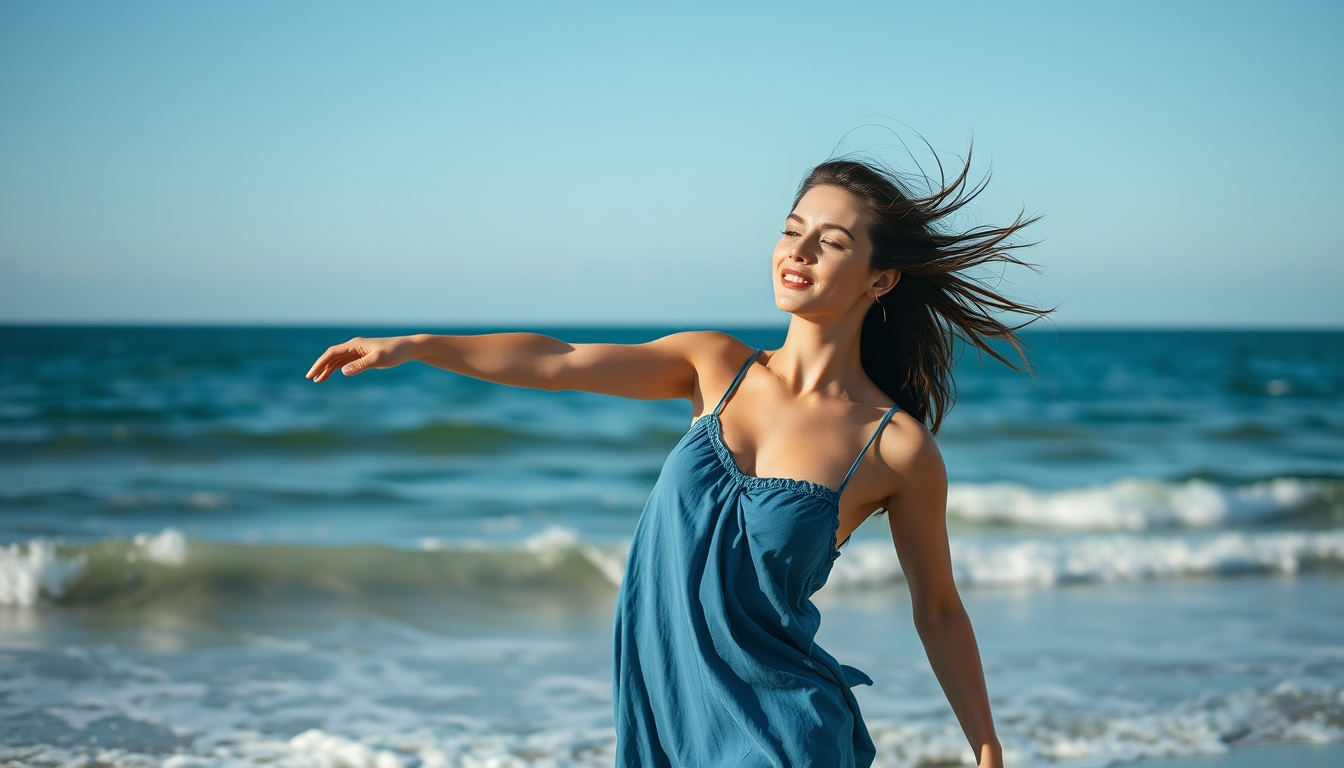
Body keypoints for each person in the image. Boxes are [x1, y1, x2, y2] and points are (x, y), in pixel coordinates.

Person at [306, 154, 1049, 768]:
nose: (799, 251)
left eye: (831, 241)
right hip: (670, 721)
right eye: (793, 231)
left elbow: (939, 609)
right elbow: (558, 362)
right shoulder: (713, 365)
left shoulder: (894, 448)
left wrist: (985, 749)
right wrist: (414, 347)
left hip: (788, 736)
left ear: (880, 279)